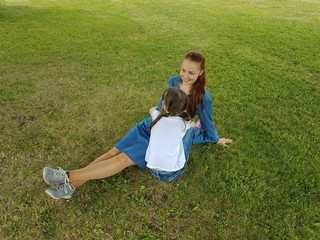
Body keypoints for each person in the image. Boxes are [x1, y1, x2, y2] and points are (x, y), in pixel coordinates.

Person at [43, 51, 234, 199]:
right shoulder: (174, 81)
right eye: (183, 70)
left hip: (165, 138)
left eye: (191, 72)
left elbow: (207, 124)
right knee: (113, 152)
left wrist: (216, 139)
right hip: (151, 125)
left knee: (122, 160)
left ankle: (68, 176)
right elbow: (160, 108)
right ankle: (72, 186)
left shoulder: (203, 98)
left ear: (201, 73)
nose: (185, 75)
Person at [146, 87, 194, 182]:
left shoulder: (156, 116)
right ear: (184, 108)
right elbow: (193, 125)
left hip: (152, 169)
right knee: (191, 131)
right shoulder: (184, 123)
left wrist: (159, 108)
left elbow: (151, 109)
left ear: (164, 106)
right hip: (172, 174)